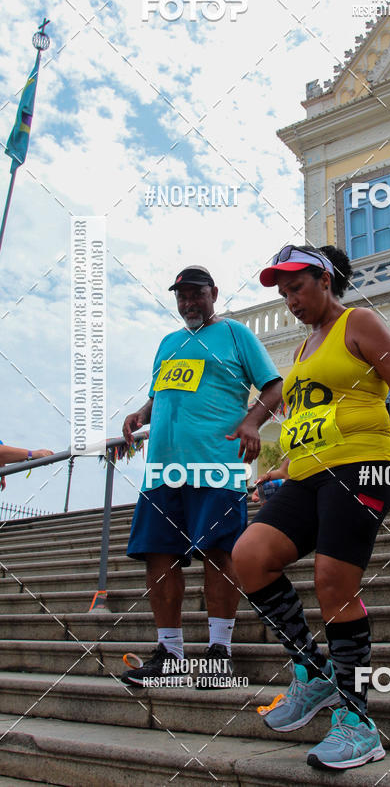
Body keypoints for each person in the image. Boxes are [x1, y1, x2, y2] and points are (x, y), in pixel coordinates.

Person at [232, 244, 390, 771]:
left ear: (325, 280)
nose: (290, 299)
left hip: (362, 465)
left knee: (332, 581)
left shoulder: (360, 322)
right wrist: (280, 465)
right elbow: (306, 418)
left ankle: (356, 722)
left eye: (297, 287)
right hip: (306, 473)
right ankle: (312, 671)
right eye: (283, 292)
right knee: (250, 556)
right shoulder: (303, 350)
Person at [120, 265, 282, 686]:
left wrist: (252, 424)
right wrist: (141, 413)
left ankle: (218, 652)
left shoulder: (235, 335)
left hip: (215, 463)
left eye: (196, 294)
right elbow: (160, 396)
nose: (188, 303)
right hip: (162, 469)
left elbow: (274, 387)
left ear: (213, 293)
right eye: (181, 296)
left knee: (218, 552)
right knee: (158, 554)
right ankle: (170, 654)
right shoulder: (168, 343)